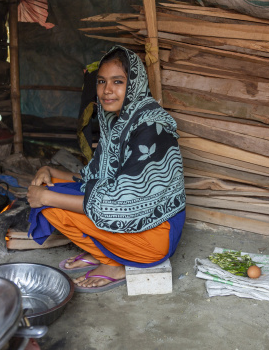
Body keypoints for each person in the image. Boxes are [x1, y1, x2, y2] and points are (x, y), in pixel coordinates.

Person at [27, 45, 186, 293]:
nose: (106, 90)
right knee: (53, 189)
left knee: (50, 205)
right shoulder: (119, 119)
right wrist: (51, 171)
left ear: (134, 84)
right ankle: (103, 252)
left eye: (118, 82)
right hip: (131, 219)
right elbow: (98, 178)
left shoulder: (151, 127)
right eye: (101, 81)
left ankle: (114, 265)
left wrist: (46, 197)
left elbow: (120, 202)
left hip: (155, 235)